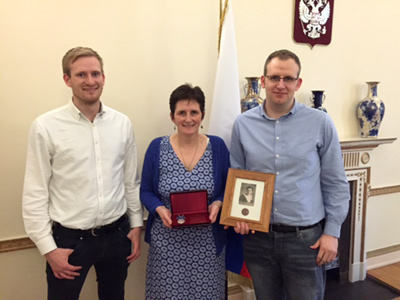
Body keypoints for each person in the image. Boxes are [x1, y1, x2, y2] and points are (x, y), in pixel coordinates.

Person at [22, 47, 143, 300]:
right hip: (69, 241)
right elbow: (35, 192)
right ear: (67, 79)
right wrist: (48, 249)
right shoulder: (46, 127)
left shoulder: (122, 124)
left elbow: (130, 181)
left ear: (104, 77)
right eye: (81, 75)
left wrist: (135, 225)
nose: (90, 81)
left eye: (96, 73)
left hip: (117, 234)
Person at [229, 49, 350, 300]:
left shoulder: (320, 123)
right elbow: (238, 177)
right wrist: (238, 214)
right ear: (263, 81)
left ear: (298, 83)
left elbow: (335, 182)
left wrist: (332, 233)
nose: (280, 85)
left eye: (288, 79)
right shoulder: (243, 124)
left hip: (306, 241)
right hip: (258, 240)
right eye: (274, 78)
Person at [140, 83, 230, 299]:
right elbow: (145, 190)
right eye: (181, 113)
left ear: (203, 115)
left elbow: (229, 188)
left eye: (194, 112)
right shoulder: (157, 148)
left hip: (207, 245)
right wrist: (158, 208)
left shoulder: (217, 147)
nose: (188, 119)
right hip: (167, 244)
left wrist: (218, 202)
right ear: (172, 116)